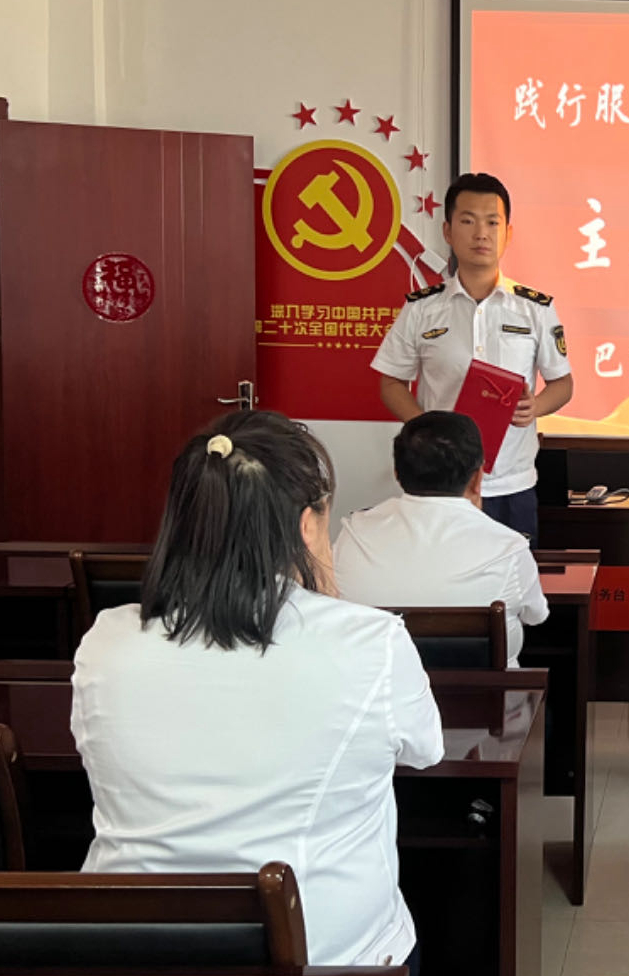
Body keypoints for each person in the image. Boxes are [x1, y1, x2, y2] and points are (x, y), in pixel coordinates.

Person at [70, 411, 445, 970]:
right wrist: (331, 608)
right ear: (306, 526)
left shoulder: (106, 641)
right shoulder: (373, 643)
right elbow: (425, 750)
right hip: (328, 953)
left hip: (130, 949)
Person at [372, 172, 573, 544]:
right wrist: (427, 427)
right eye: (468, 221)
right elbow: (391, 382)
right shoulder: (421, 309)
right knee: (440, 577)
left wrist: (537, 406)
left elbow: (562, 384)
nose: (481, 233)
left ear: (508, 233)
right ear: (448, 232)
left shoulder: (535, 309)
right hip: (439, 484)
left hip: (511, 482)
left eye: (492, 222)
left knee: (510, 578)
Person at [334, 410, 549, 666]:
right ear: (478, 477)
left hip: (379, 688)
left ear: (397, 473)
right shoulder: (508, 548)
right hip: (482, 692)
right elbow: (536, 615)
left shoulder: (352, 534)